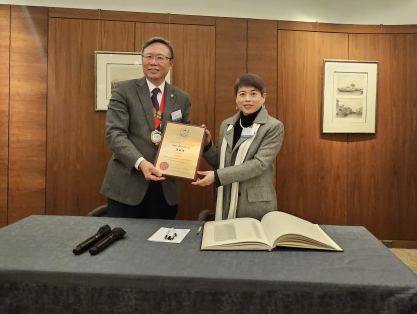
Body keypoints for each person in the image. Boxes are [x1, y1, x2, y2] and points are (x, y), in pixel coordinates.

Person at [101, 37, 191, 219]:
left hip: (165, 186)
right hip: (128, 184)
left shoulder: (181, 97)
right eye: (148, 56)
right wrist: (141, 162)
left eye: (160, 58)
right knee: (123, 244)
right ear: (141, 60)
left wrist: (196, 140)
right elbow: (115, 134)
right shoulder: (123, 90)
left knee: (160, 244)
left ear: (170, 63)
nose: (153, 62)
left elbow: (183, 136)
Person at [192, 74, 284, 221]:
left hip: (255, 205)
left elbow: (259, 165)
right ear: (236, 99)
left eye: (253, 94)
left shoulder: (273, 127)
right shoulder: (227, 125)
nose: (247, 99)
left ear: (263, 97)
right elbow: (222, 163)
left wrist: (216, 177)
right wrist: (208, 145)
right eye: (242, 94)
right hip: (226, 200)